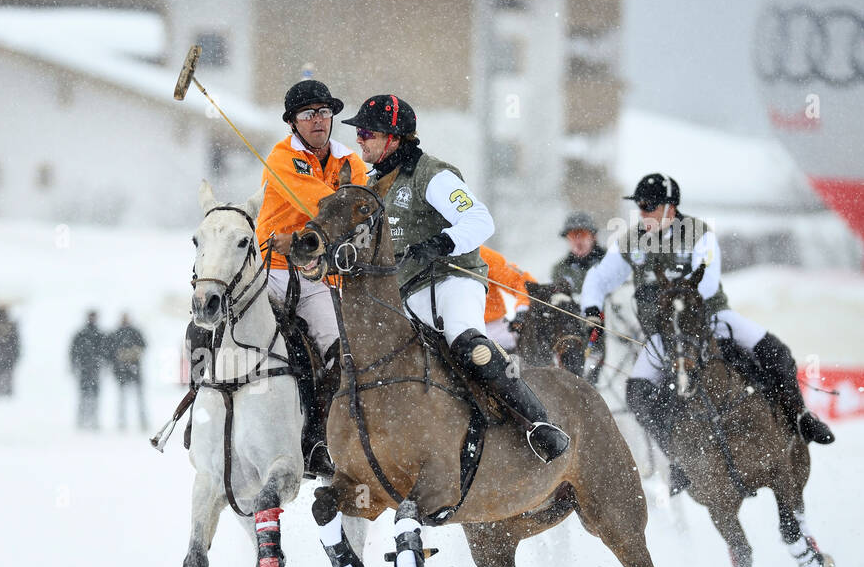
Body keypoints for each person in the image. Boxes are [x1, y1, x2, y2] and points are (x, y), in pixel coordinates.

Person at [343, 94, 569, 462]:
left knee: (466, 342)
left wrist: (440, 243)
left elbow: (481, 220)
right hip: (405, 291)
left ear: (394, 137)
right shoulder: (372, 185)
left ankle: (538, 425)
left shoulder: (432, 175)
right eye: (359, 132)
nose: (360, 139)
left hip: (452, 280)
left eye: (367, 132)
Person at [580, 172, 834, 493]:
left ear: (670, 208)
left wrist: (676, 293)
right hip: (662, 335)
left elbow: (708, 281)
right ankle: (677, 458)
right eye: (640, 207)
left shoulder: (699, 234)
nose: (642, 213)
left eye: (649, 206)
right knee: (638, 393)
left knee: (775, 351)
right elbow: (599, 278)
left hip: (710, 319)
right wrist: (592, 309)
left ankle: (800, 417)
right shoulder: (632, 241)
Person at [257, 78, 368, 477]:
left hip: (317, 277)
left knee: (339, 355)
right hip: (272, 269)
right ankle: (204, 400)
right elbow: (325, 205)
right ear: (293, 122)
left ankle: (319, 440)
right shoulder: (282, 156)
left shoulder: (350, 161)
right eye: (309, 114)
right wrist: (344, 211)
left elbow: (360, 211)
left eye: (324, 112)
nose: (319, 120)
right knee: (233, 333)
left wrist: (309, 238)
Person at [551, 212, 607, 379]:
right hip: (574, 330)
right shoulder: (559, 269)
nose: (577, 240)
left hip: (605, 329)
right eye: (572, 236)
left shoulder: (609, 262)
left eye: (581, 234)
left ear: (593, 236)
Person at [480, 246, 535, 353]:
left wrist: (523, 308)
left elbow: (522, 282)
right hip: (446, 332)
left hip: (494, 329)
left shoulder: (481, 254)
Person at [69, 310, 108, 430]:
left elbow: (105, 351)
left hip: (94, 369)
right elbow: (73, 352)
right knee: (84, 396)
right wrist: (74, 365)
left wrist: (104, 364)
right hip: (85, 369)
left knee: (93, 397)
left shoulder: (98, 334)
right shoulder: (82, 334)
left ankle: (92, 419)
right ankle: (82, 420)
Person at [110, 312, 147, 430]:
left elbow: (144, 346)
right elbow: (111, 351)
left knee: (138, 397)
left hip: (133, 370)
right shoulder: (117, 333)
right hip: (122, 371)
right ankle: (122, 421)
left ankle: (142, 420)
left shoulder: (134, 332)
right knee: (123, 397)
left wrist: (133, 353)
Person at [0, 305, 20, 397]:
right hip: (5, 356)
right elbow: (15, 343)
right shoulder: (11, 325)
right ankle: (5, 392)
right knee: (5, 377)